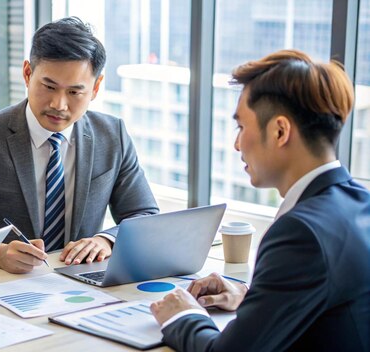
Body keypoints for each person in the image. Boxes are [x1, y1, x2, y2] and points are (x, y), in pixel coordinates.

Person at [149, 50, 370, 351]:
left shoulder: (300, 232)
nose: (237, 143)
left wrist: (182, 315)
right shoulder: (358, 203)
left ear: (280, 131)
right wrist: (252, 296)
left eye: (241, 126)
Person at [0, 17, 159, 274]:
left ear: (95, 88)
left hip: (80, 281)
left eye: (74, 92)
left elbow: (145, 215)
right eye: (49, 87)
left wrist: (107, 240)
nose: (59, 104)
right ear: (28, 74)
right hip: (3, 283)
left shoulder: (112, 134)